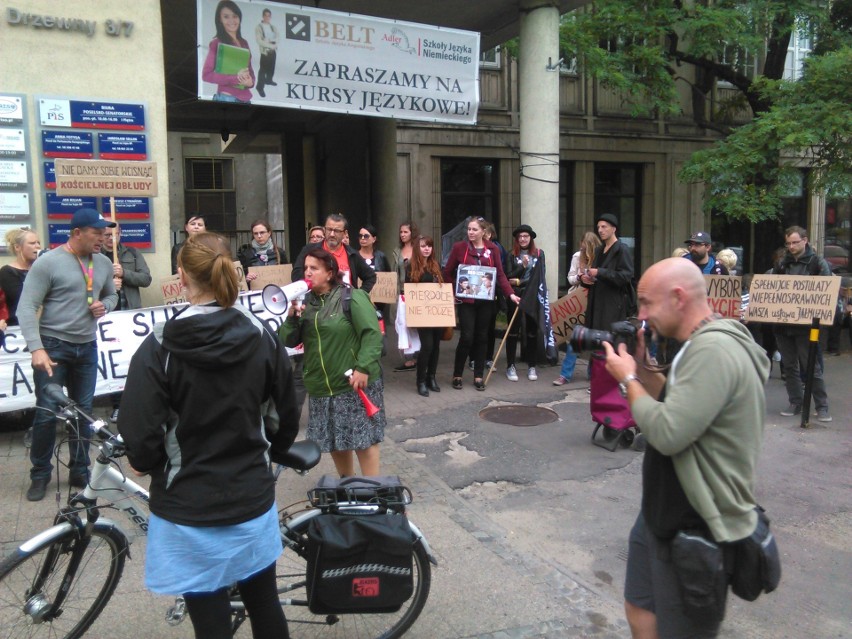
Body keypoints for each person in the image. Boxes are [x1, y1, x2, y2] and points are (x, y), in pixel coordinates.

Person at [118, 232, 298, 639]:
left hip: (189, 505)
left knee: (209, 616)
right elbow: (286, 413)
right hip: (250, 494)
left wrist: (144, 463)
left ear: (181, 276)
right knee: (264, 602)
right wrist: (272, 451)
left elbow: (140, 429)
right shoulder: (263, 337)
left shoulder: (159, 346)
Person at [603, 257, 769, 639]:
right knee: (640, 607)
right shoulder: (694, 346)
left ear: (678, 297)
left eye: (646, 303)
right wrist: (644, 369)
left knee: (682, 630)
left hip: (695, 523)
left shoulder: (713, 352)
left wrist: (628, 380)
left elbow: (668, 431)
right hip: (662, 513)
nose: (641, 314)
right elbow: (680, 407)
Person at [18, 209, 118, 501]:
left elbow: (111, 295)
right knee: (47, 414)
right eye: (97, 232)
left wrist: (105, 306)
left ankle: (79, 469)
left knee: (83, 413)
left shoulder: (102, 263)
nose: (103, 237)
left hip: (87, 346)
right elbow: (26, 307)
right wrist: (36, 347)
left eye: (105, 233)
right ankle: (40, 474)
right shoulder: (47, 262)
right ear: (77, 233)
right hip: (53, 346)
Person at [278, 248, 386, 476]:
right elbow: (288, 340)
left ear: (329, 273)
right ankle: (348, 485)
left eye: (314, 268)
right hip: (321, 386)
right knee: (336, 440)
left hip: (353, 383)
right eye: (305, 268)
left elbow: (372, 334)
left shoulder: (352, 297)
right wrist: (291, 318)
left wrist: (363, 367)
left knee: (363, 439)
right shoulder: (306, 305)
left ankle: (372, 488)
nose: (307, 272)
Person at [443, 217, 519, 391]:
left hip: (486, 301)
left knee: (482, 337)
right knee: (467, 337)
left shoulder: (493, 249)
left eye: (474, 229)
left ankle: (478, 376)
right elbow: (447, 272)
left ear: (483, 232)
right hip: (466, 301)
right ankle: (457, 374)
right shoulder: (459, 248)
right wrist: (455, 291)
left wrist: (511, 295)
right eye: (469, 229)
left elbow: (500, 275)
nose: (470, 232)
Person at [771, 226, 833, 422]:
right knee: (789, 366)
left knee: (811, 366)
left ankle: (822, 406)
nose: (791, 246)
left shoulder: (817, 263)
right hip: (783, 324)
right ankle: (795, 402)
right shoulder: (781, 264)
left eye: (795, 242)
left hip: (807, 326)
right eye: (788, 243)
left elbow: (827, 290)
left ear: (805, 240)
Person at [102, 222, 152, 422]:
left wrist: (124, 273)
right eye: (106, 235)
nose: (110, 239)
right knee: (112, 361)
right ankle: (117, 404)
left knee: (131, 360)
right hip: (107, 319)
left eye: (114, 234)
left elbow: (146, 279)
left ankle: (135, 401)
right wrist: (108, 284)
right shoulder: (94, 257)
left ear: (120, 234)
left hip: (130, 315)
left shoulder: (132, 254)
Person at [554, 231, 601, 385]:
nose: (583, 251)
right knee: (574, 338)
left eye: (586, 248)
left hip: (595, 299)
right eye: (582, 247)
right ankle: (565, 375)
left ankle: (592, 374)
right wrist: (580, 277)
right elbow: (570, 277)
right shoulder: (576, 256)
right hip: (578, 299)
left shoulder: (601, 256)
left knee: (595, 337)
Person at [292, 213, 376, 292]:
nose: (332, 234)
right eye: (329, 229)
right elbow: (296, 275)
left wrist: (358, 296)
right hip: (317, 305)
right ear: (324, 230)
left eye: (337, 231)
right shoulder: (309, 250)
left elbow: (370, 277)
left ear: (345, 233)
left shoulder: (352, 254)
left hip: (344, 305)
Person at [580, 213, 635, 332]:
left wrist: (600, 272)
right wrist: (585, 279)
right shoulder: (599, 250)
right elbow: (594, 275)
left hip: (612, 306)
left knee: (608, 342)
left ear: (614, 229)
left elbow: (625, 276)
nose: (600, 230)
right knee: (595, 343)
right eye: (598, 227)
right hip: (595, 305)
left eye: (604, 227)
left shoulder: (622, 249)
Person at [504, 224, 545, 382]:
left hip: (532, 295)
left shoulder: (539, 254)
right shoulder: (510, 255)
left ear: (531, 238)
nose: (522, 239)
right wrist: (522, 266)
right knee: (513, 330)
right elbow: (508, 277)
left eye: (526, 236)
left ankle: (532, 365)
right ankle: (510, 365)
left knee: (532, 331)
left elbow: (539, 277)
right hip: (515, 296)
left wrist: (520, 281)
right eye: (520, 237)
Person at [407, 235, 444, 397]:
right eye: (423, 246)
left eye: (429, 246)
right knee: (427, 346)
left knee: (436, 346)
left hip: (436, 312)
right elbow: (410, 289)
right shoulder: (411, 266)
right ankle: (420, 380)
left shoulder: (435, 265)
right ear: (417, 248)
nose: (427, 249)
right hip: (422, 313)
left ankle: (431, 377)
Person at [201, 0, 255, 103]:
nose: (231, 21)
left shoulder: (244, 43)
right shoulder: (216, 43)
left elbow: (250, 71)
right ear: (220, 19)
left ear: (239, 17)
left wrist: (250, 82)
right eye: (226, 17)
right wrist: (235, 78)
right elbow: (206, 75)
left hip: (246, 99)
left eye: (234, 16)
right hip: (227, 98)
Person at [1, 227, 42, 326]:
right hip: (18, 328)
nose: (37, 246)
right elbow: (25, 301)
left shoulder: (42, 270)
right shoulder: (7, 272)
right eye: (32, 243)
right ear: (17, 247)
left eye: (38, 243)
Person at [393, 221, 419, 372]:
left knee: (417, 324)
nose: (402, 235)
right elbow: (393, 272)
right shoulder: (397, 250)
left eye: (405, 232)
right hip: (402, 291)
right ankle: (409, 358)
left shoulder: (419, 248)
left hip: (416, 291)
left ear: (412, 233)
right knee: (403, 325)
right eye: (401, 232)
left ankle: (419, 356)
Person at [238, 219, 288, 283]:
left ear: (269, 233)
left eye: (262, 232)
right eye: (256, 233)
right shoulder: (245, 253)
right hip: (254, 291)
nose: (259, 236)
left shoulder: (280, 252)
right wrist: (246, 279)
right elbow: (239, 279)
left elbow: (286, 275)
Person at [254, 8, 278, 98]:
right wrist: (270, 44)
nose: (267, 17)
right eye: (266, 15)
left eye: (269, 16)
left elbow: (277, 38)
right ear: (263, 16)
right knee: (263, 70)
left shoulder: (273, 27)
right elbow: (259, 41)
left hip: (273, 51)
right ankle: (259, 87)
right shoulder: (259, 27)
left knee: (272, 67)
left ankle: (269, 80)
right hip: (265, 52)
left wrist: (269, 40)